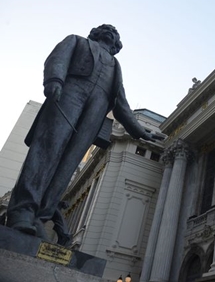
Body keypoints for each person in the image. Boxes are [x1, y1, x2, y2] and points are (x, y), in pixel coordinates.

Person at [7, 24, 159, 239]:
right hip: (67, 97)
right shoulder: (77, 41)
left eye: (115, 33)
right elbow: (57, 59)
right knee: (46, 152)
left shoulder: (116, 66)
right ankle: (22, 211)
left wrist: (141, 132)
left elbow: (121, 104)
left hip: (93, 115)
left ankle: (41, 217)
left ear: (117, 44)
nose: (111, 31)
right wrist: (55, 80)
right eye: (107, 29)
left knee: (68, 165)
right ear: (96, 33)